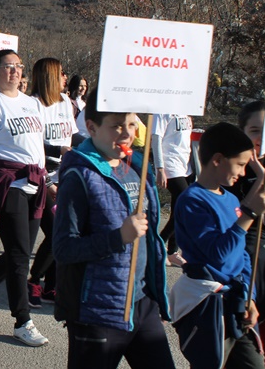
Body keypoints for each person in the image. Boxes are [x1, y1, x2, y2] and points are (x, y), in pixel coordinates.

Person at [53, 90, 175, 368]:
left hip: (141, 303)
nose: (126, 133)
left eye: (132, 124)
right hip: (97, 312)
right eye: (116, 126)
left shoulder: (136, 170)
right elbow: (63, 248)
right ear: (92, 127)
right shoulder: (79, 177)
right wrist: (118, 237)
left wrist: (156, 292)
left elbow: (151, 240)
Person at [0, 49, 49, 347]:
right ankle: (22, 320)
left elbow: (36, 146)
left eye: (18, 66)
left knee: (21, 251)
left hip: (35, 183)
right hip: (8, 184)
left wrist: (49, 179)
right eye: (7, 67)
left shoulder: (31, 103)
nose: (14, 71)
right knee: (18, 255)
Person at [172, 121, 265, 368]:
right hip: (210, 308)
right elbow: (219, 255)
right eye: (239, 165)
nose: (243, 173)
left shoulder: (232, 198)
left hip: (238, 304)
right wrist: (247, 215)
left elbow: (243, 256)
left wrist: (250, 296)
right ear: (217, 159)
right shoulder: (192, 200)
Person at [26, 57, 78, 308]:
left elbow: (72, 136)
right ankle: (33, 280)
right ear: (48, 76)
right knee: (57, 231)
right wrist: (48, 182)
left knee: (66, 231)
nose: (65, 78)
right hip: (41, 177)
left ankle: (52, 285)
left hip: (66, 176)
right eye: (60, 73)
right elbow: (34, 146)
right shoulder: (33, 104)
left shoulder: (66, 101)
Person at [228, 101, 265, 369]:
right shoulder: (233, 173)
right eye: (255, 130)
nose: (262, 138)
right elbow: (236, 224)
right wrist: (258, 176)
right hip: (250, 262)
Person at [152, 113, 193, 267]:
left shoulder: (187, 109)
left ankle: (172, 251)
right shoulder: (163, 109)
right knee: (186, 203)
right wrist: (160, 168)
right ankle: (158, 244)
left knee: (178, 209)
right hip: (170, 164)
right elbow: (156, 138)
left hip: (185, 165)